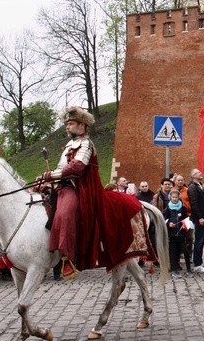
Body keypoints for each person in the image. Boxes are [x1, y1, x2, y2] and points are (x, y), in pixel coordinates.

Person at [40, 106, 148, 279]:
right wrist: (45, 178)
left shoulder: (86, 144)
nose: (67, 127)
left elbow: (77, 167)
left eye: (71, 123)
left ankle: (68, 257)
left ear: (82, 125)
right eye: (66, 124)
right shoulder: (69, 145)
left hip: (78, 188)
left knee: (66, 212)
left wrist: (51, 175)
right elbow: (63, 167)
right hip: (62, 185)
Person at [187, 168, 204, 273]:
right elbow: (194, 203)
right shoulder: (192, 187)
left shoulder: (202, 186)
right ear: (193, 176)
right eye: (198, 173)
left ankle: (200, 261)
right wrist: (200, 217)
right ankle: (197, 264)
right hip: (199, 218)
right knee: (199, 241)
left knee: (202, 241)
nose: (200, 173)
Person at [162, 190, 192, 278]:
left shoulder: (182, 207)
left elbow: (186, 218)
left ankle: (189, 269)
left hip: (181, 234)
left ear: (179, 197)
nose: (175, 199)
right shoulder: (167, 208)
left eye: (176, 197)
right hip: (172, 235)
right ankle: (174, 270)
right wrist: (169, 224)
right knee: (173, 252)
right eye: (173, 197)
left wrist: (185, 225)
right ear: (170, 198)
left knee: (185, 251)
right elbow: (165, 219)